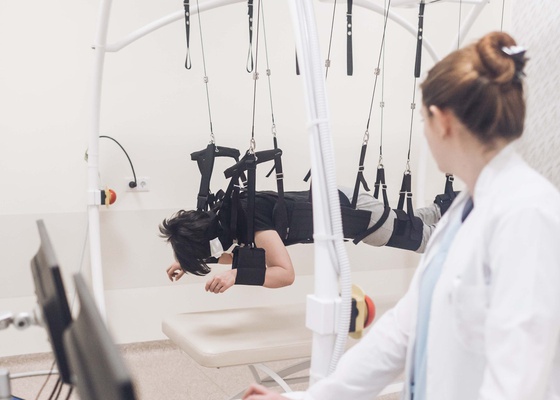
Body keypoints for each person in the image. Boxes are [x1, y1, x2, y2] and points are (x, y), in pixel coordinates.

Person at [241, 31, 560, 400]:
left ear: (442, 121)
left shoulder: (528, 216)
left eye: (424, 119)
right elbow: (402, 330)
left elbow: (517, 383)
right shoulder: (463, 211)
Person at [160, 188, 444, 294]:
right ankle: (446, 206)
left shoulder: (252, 223)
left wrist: (236, 276)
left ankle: (463, 224)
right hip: (343, 202)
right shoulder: (227, 214)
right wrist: (189, 260)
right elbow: (227, 252)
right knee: (410, 223)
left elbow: (285, 274)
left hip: (357, 216)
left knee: (426, 240)